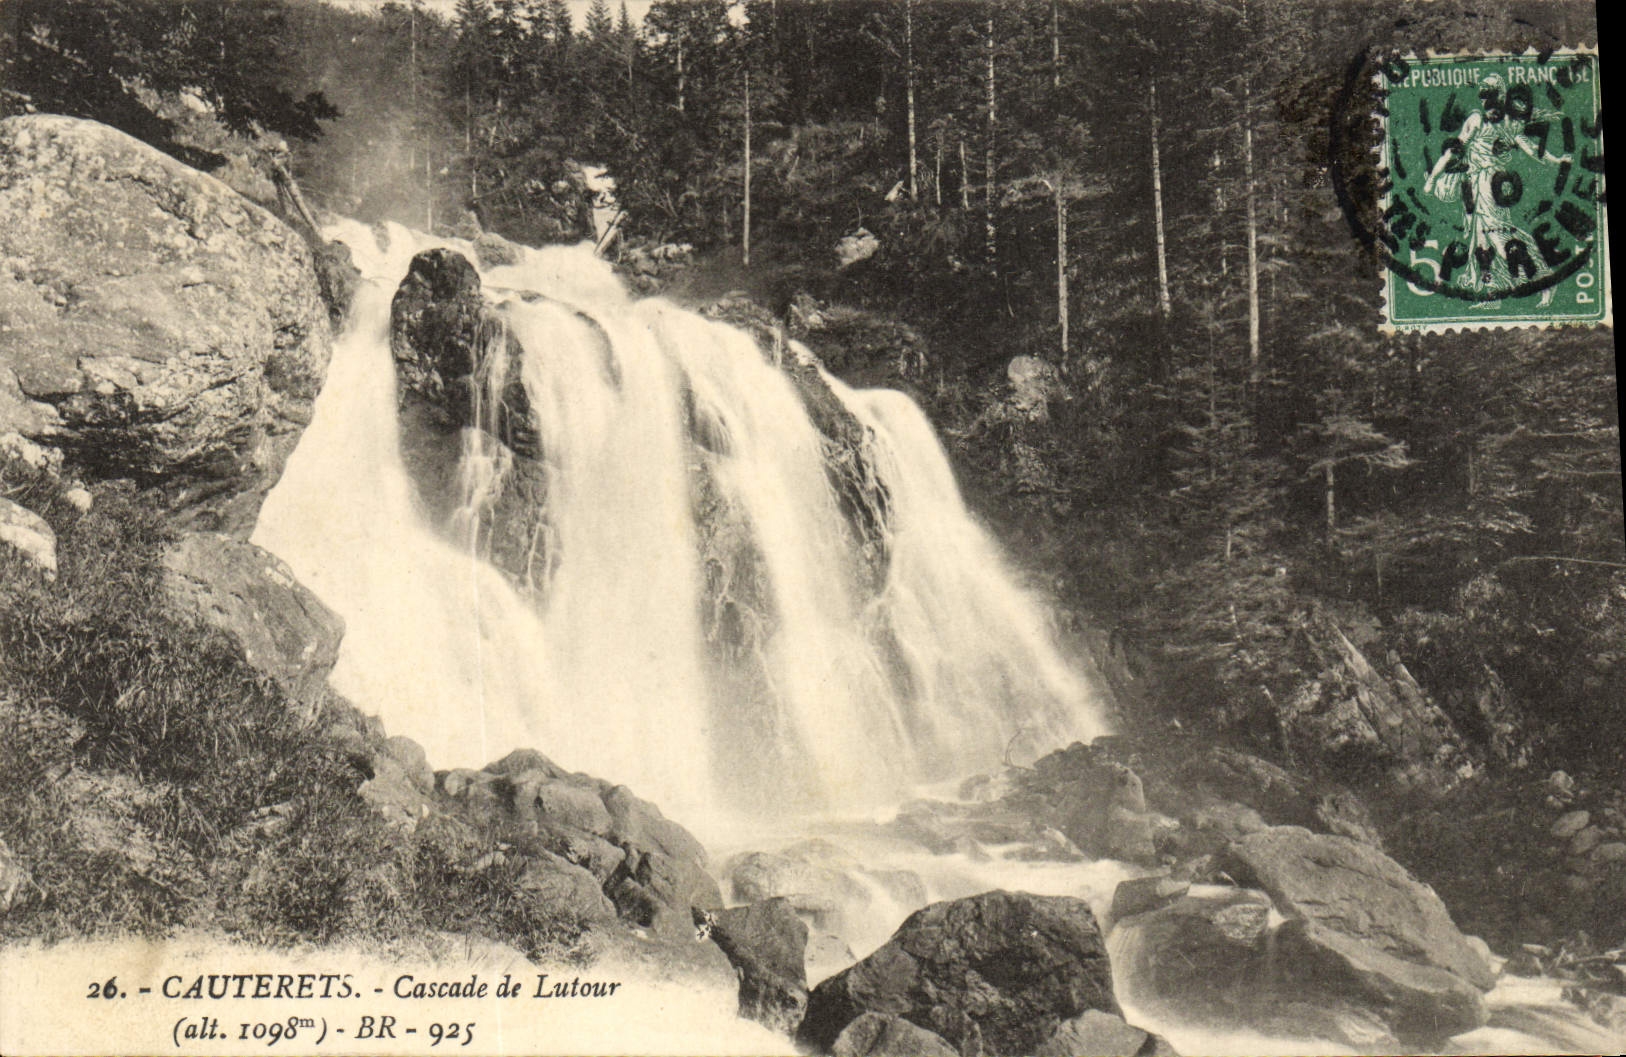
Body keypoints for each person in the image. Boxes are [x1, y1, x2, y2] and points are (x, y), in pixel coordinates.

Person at [1422, 74, 1571, 304]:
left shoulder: (1505, 123)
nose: (1487, 102)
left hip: (1489, 186)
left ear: (1502, 97)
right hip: (1475, 187)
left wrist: (1556, 160)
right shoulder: (1478, 120)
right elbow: (1454, 150)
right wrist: (1432, 178)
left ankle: (1542, 281)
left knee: (1500, 241)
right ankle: (1490, 294)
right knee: (1481, 242)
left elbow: (1531, 147)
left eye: (1492, 96)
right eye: (1483, 97)